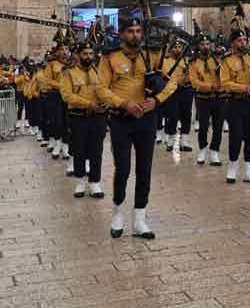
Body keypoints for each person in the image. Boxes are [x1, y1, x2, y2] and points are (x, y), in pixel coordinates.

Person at [97, 15, 177, 238]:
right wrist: (123, 103)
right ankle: (118, 213)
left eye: (138, 31)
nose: (135, 35)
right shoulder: (109, 57)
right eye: (131, 31)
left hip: (146, 119)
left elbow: (172, 82)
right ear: (122, 34)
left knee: (145, 170)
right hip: (121, 118)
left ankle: (140, 218)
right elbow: (101, 88)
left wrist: (157, 100)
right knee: (122, 169)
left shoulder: (151, 56)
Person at [60, 43, 106, 199]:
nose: (89, 57)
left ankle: (95, 183)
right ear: (78, 55)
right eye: (85, 54)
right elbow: (67, 95)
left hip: (98, 117)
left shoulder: (99, 72)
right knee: (78, 150)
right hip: (77, 117)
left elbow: (106, 89)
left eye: (91, 53)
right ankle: (80, 182)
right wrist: (88, 104)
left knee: (96, 151)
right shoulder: (68, 73)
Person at [219, 30, 250, 184]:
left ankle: (249, 170)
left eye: (244, 40)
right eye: (239, 40)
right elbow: (225, 82)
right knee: (236, 136)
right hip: (234, 102)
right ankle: (232, 168)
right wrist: (245, 88)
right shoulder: (226, 60)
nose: (243, 43)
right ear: (232, 43)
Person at [189, 34, 224, 166]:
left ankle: (214, 151)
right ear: (198, 46)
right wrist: (209, 86)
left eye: (208, 44)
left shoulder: (216, 59)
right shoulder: (193, 62)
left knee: (218, 126)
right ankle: (202, 149)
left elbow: (224, 73)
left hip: (219, 98)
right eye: (203, 44)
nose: (206, 47)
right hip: (203, 99)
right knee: (203, 127)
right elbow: (194, 82)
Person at [161, 40, 193, 152]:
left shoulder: (186, 60)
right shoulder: (165, 61)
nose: (178, 49)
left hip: (186, 90)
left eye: (180, 47)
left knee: (186, 115)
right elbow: (164, 77)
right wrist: (176, 83)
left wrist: (188, 76)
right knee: (172, 115)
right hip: (172, 91)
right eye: (175, 47)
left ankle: (184, 140)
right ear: (170, 49)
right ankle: (171, 139)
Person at [41, 45, 71, 160]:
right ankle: (57, 144)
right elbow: (47, 80)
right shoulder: (52, 64)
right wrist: (62, 86)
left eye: (66, 49)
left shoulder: (70, 64)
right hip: (55, 96)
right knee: (57, 121)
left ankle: (65, 146)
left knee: (67, 122)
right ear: (57, 52)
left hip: (68, 96)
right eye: (62, 50)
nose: (64, 52)